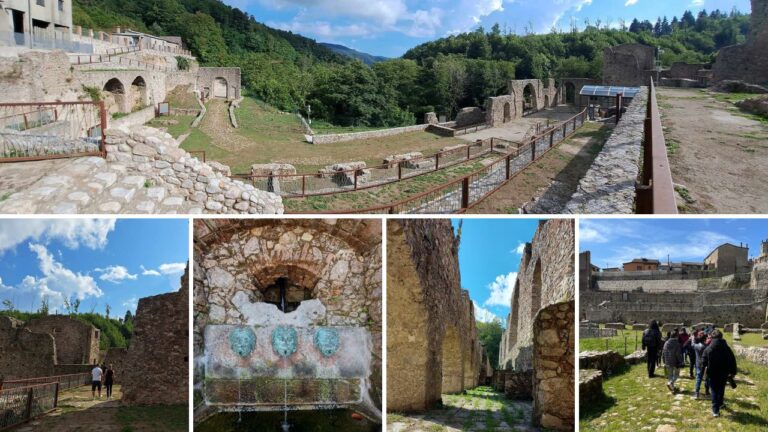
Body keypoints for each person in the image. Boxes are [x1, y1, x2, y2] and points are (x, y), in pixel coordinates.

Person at [702, 330, 737, 417]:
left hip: (712, 373)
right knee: (721, 389)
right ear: (721, 337)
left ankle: (715, 410)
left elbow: (703, 362)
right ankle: (720, 403)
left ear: (712, 338)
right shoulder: (727, 349)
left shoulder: (708, 349)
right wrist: (733, 372)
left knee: (714, 391)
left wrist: (704, 372)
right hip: (724, 373)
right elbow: (733, 361)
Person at [662, 329, 684, 393]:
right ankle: (670, 383)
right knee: (677, 374)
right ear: (676, 336)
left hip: (667, 361)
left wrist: (664, 360)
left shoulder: (666, 342)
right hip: (675, 362)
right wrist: (681, 362)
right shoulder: (677, 344)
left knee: (670, 375)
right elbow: (678, 354)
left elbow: (663, 352)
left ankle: (672, 388)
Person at [692, 332, 711, 399]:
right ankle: (707, 392)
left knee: (698, 378)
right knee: (707, 378)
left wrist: (692, 338)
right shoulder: (707, 347)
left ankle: (697, 393)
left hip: (698, 364)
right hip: (705, 365)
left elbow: (692, 344)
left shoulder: (697, 346)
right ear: (705, 339)